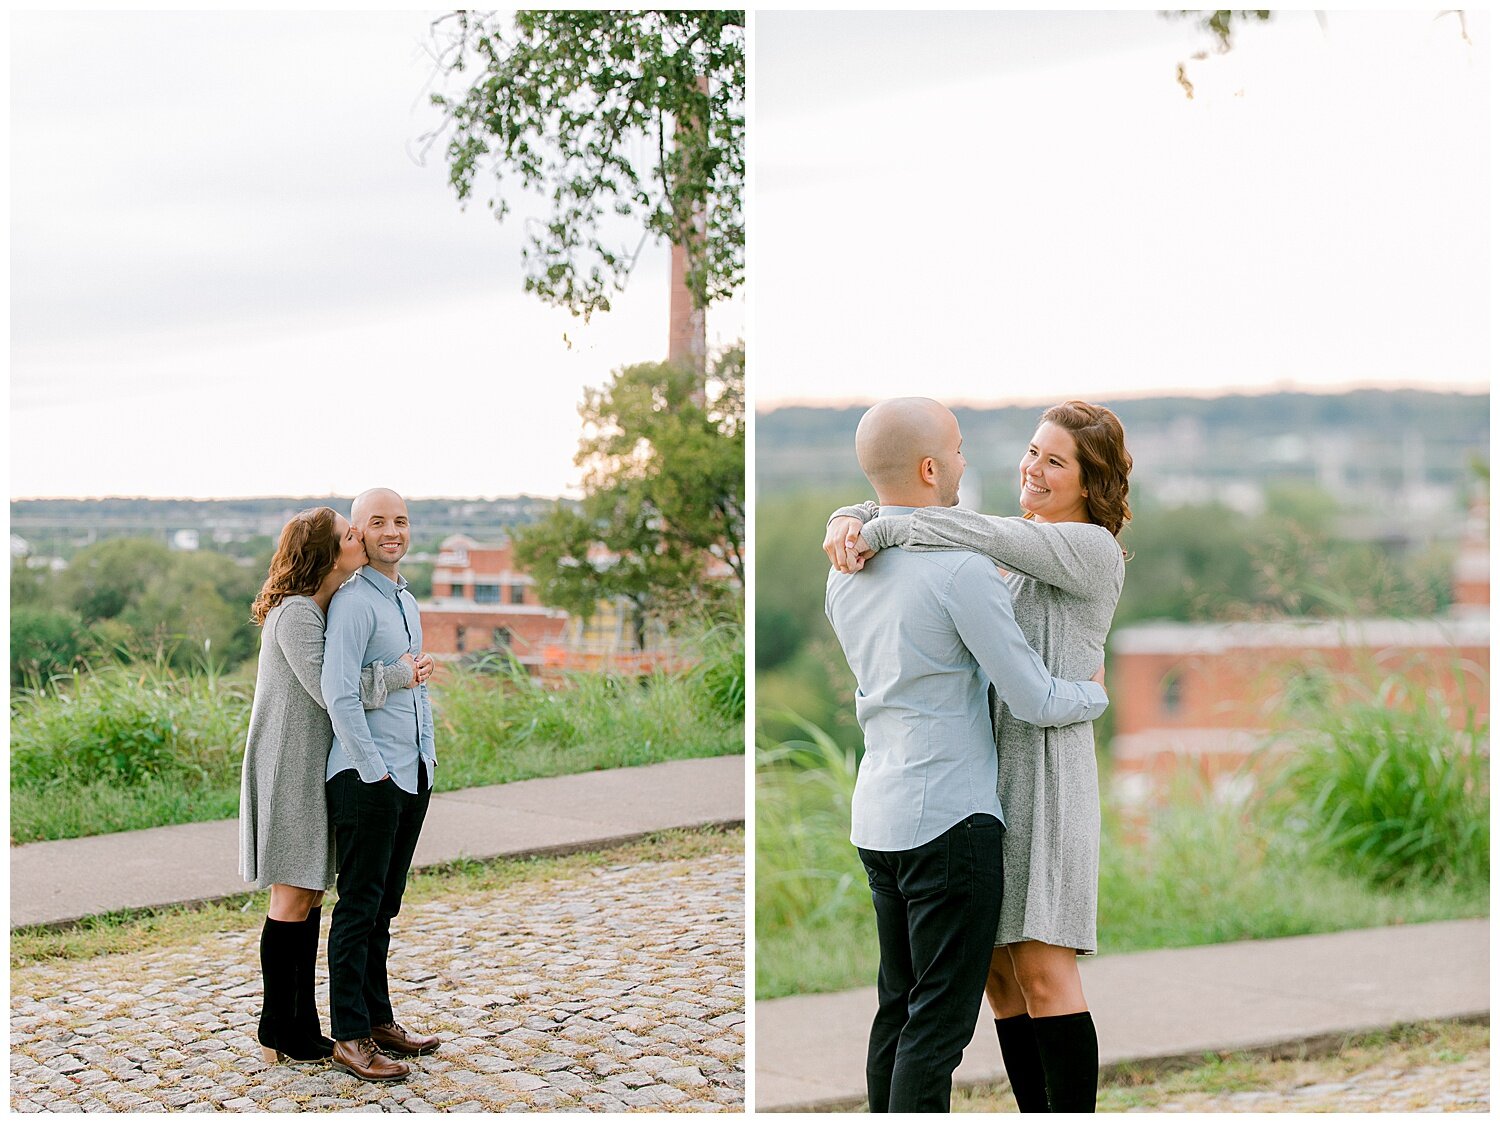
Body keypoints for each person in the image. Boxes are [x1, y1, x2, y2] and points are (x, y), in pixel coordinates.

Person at [824, 399, 1132, 1112]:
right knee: (997, 978)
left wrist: (866, 520)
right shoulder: (1014, 541)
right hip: (986, 775)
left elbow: (956, 525)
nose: (1033, 468)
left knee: (1043, 968)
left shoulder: (1088, 549)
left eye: (1057, 461)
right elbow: (924, 504)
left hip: (1046, 773)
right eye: (1032, 451)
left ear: (1091, 484)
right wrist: (846, 517)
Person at [239, 506, 434, 1064]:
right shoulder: (298, 613)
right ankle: (281, 1026)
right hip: (288, 766)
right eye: (351, 533)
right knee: (293, 894)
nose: (361, 539)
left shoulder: (321, 606)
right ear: (327, 552)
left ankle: (297, 1024)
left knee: (308, 893)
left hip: (311, 760)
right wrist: (403, 672)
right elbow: (333, 691)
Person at [322, 488, 439, 1082]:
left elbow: (405, 687)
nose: (391, 530)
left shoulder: (405, 600)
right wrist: (374, 768)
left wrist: (425, 761)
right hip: (368, 775)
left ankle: (377, 1018)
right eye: (377, 521)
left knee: (383, 907)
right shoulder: (352, 603)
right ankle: (348, 1036)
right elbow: (338, 694)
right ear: (359, 533)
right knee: (359, 907)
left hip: (411, 770)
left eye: (400, 520)